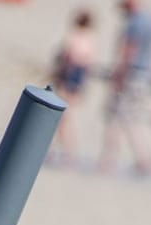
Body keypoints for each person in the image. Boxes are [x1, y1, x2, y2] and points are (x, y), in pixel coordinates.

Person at [99, 0, 151, 176]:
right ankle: (144, 158)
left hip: (131, 75)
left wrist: (118, 76)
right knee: (135, 118)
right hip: (144, 76)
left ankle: (109, 160)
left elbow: (128, 51)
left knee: (115, 118)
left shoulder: (134, 23)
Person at [49, 10, 97, 164]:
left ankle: (66, 151)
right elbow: (88, 64)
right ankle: (64, 150)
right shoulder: (91, 39)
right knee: (67, 116)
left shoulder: (74, 37)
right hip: (79, 78)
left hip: (70, 75)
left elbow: (67, 58)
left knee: (62, 117)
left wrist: (58, 75)